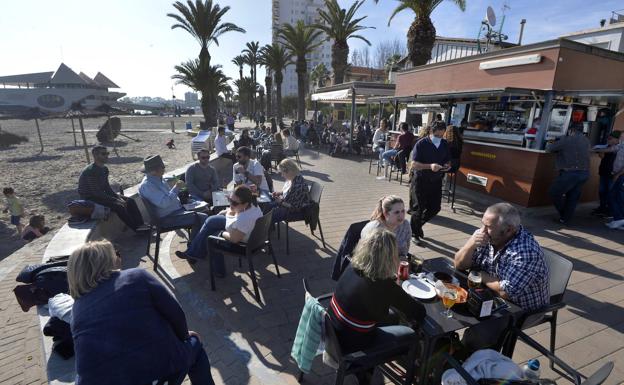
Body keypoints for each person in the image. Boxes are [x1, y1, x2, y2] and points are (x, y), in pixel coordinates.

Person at [68, 240, 215, 385]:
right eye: (116, 254)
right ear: (106, 262)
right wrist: (184, 337)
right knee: (195, 345)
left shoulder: (76, 310)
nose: (119, 258)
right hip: (161, 369)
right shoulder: (136, 277)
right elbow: (175, 313)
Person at [328, 229, 426, 356]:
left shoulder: (352, 265)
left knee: (394, 316)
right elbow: (419, 312)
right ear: (390, 257)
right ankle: (410, 366)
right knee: (410, 335)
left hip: (334, 330)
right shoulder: (384, 285)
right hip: (352, 344)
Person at [454, 203, 549, 311]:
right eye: (483, 224)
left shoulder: (525, 252)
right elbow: (459, 265)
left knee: (470, 322)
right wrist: (470, 245)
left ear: (509, 230)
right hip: (488, 295)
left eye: (488, 227)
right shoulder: (486, 235)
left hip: (519, 309)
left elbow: (506, 292)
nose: (482, 231)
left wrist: (480, 275)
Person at [175, 185, 263, 276]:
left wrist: (222, 233)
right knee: (211, 220)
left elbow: (234, 239)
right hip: (245, 233)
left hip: (243, 245)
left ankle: (218, 270)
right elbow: (236, 212)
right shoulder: (252, 205)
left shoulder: (245, 218)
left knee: (211, 236)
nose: (231, 204)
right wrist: (227, 211)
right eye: (230, 200)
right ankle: (193, 253)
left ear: (245, 203)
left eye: (234, 203)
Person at [77, 145, 145, 231]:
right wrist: (116, 200)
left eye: (107, 153)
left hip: (100, 196)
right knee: (119, 206)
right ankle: (136, 229)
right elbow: (96, 193)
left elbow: (107, 188)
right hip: (90, 198)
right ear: (95, 156)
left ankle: (141, 225)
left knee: (130, 201)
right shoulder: (90, 171)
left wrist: (118, 197)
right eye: (104, 154)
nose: (107, 156)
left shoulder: (104, 169)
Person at [138, 155, 208, 236]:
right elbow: (164, 203)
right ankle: (195, 246)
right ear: (153, 171)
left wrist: (184, 199)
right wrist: (176, 187)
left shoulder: (158, 178)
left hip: (175, 211)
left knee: (204, 208)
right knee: (202, 218)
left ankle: (195, 241)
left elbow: (169, 196)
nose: (165, 169)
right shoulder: (147, 186)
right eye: (163, 167)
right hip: (167, 218)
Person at [409, 122, 450, 244]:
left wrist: (448, 165)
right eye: (437, 135)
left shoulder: (444, 144)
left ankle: (417, 226)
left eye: (442, 135)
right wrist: (430, 166)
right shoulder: (421, 143)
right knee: (418, 208)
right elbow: (414, 164)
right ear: (431, 132)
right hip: (421, 180)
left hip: (436, 180)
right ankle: (414, 233)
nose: (439, 138)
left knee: (435, 208)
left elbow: (447, 159)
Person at [545, 124, 590, 225]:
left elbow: (549, 148)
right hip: (584, 173)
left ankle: (563, 213)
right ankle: (565, 219)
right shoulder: (586, 140)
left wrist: (554, 141)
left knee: (554, 192)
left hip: (570, 173)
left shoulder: (567, 139)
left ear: (571, 130)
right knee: (572, 197)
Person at [595, 130, 624, 229]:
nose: (621, 138)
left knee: (613, 196)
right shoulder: (621, 146)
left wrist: (617, 174)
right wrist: (596, 150)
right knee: (615, 197)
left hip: (619, 175)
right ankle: (619, 220)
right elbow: (609, 150)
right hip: (613, 174)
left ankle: (618, 218)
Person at [270, 159, 310, 223]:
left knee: (271, 215)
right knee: (269, 205)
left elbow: (295, 207)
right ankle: (268, 226)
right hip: (290, 204)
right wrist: (280, 193)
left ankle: (266, 227)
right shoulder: (294, 177)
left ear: (289, 171)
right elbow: (290, 192)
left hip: (299, 211)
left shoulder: (298, 185)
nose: (282, 175)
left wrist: (280, 202)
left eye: (282, 173)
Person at [592, 131, 620, 217]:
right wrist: (600, 151)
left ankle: (610, 211)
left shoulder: (618, 148)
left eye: (611, 138)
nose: (608, 140)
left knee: (610, 193)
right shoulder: (607, 146)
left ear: (617, 140)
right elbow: (602, 156)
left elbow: (609, 151)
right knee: (602, 191)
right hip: (603, 172)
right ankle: (602, 208)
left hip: (612, 174)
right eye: (608, 138)